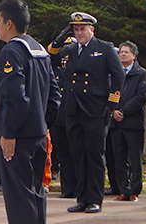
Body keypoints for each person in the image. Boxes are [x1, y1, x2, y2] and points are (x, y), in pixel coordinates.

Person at [48, 12, 124, 214]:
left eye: (82, 29)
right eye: (75, 29)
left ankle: (94, 199)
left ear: (92, 29)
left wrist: (112, 101)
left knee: (94, 155)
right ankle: (82, 198)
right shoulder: (70, 50)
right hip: (72, 109)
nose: (79, 32)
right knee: (77, 155)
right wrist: (61, 36)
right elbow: (51, 55)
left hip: (95, 109)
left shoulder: (104, 48)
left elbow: (118, 75)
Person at [0, 0, 60, 223]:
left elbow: (15, 97)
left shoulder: (11, 51)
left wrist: (9, 132)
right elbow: (54, 95)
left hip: (18, 136)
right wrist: (42, 123)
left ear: (9, 23)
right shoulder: (40, 49)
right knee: (36, 192)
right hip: (38, 134)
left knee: (18, 197)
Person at [108, 41, 146, 202]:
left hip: (132, 122)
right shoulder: (114, 73)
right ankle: (123, 189)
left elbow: (141, 96)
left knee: (134, 158)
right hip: (116, 122)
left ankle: (134, 190)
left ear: (134, 55)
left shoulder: (141, 73)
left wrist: (123, 111)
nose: (123, 54)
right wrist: (113, 110)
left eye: (126, 52)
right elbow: (111, 92)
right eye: (121, 52)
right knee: (119, 158)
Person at [49, 38, 76, 199]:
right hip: (59, 119)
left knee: (77, 154)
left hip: (75, 116)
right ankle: (67, 188)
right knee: (64, 154)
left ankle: (79, 186)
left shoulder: (77, 70)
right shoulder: (55, 70)